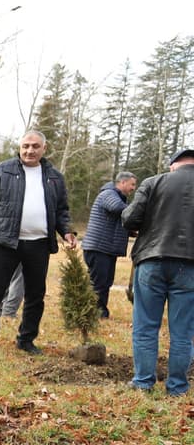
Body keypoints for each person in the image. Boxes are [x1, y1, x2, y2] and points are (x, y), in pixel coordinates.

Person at [0, 130, 77, 354]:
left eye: (35, 146)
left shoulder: (54, 177)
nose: (30, 150)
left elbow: (61, 210)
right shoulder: (2, 171)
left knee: (35, 295)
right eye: (26, 146)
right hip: (5, 242)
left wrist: (67, 232)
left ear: (44, 148)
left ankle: (26, 339)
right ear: (20, 147)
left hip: (39, 244)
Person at [121, 149, 194, 395]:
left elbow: (130, 219)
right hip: (190, 265)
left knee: (145, 325)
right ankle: (178, 387)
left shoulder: (154, 182)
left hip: (152, 259)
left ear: (173, 165)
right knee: (183, 330)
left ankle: (143, 382)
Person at [82, 171, 137, 318]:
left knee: (105, 282)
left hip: (106, 248)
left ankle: (98, 312)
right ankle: (96, 313)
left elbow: (116, 220)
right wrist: (140, 208)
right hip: (99, 247)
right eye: (132, 184)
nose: (133, 188)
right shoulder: (108, 194)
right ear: (122, 182)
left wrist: (132, 232)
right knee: (98, 283)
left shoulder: (119, 198)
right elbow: (118, 209)